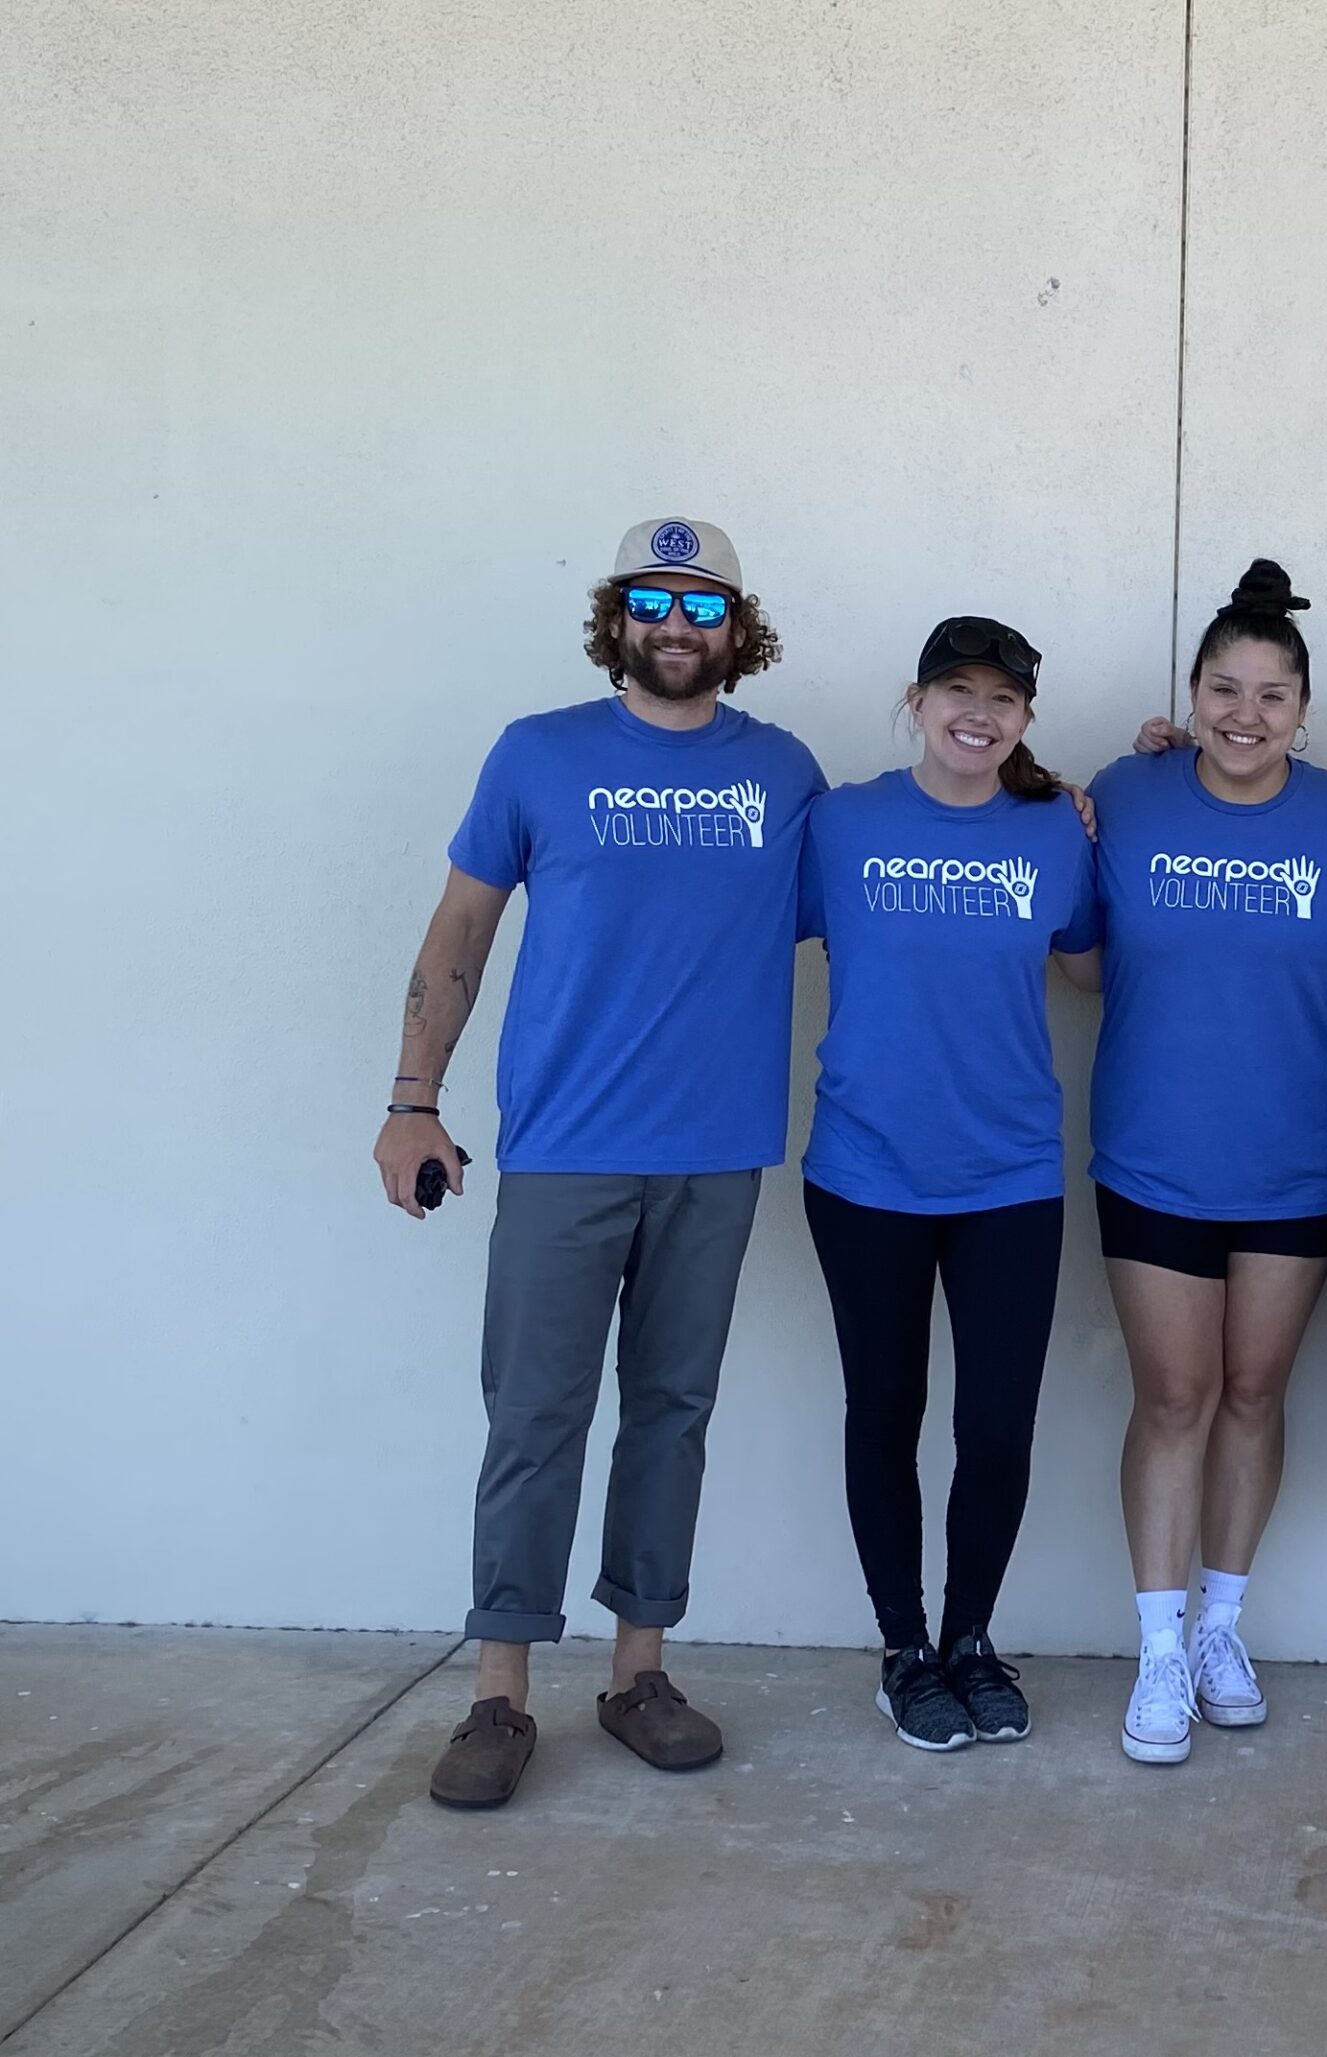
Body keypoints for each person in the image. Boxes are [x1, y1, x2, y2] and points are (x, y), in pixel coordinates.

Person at [376, 518, 823, 1811]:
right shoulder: (538, 756)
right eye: (651, 598)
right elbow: (460, 927)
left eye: (702, 603)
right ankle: (499, 1693)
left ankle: (639, 1674)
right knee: (535, 1419)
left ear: (736, 627)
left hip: (718, 1153)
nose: (675, 624)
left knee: (672, 1414)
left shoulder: (786, 773)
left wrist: (1055, 797)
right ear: (616, 614)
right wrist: (413, 1099)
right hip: (566, 1151)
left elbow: (912, 854)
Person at [1084, 562, 1327, 1766]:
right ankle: (1159, 1651)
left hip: (1297, 1162)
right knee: (1173, 1396)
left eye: (1273, 695)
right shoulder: (1125, 792)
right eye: (1225, 686)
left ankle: (1223, 1626)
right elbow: (1077, 952)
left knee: (1255, 1395)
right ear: (1191, 691)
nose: (1246, 714)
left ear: (1304, 708)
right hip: (1155, 1154)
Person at [798, 615, 1100, 1754]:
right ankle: (902, 1648)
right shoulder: (841, 823)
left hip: (1009, 1176)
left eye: (1003, 699)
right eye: (956, 690)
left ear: (1025, 718)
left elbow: (1091, 963)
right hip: (866, 1171)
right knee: (885, 1413)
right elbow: (733, 930)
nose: (979, 713)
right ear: (917, 700)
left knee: (996, 1425)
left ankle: (971, 1639)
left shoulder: (1056, 831)